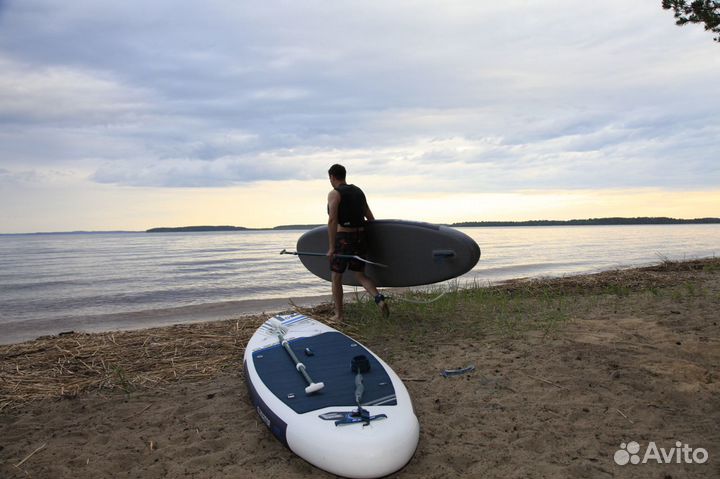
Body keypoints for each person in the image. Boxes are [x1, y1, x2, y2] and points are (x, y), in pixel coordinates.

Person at [326, 164, 389, 321]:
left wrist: (332, 247)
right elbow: (370, 216)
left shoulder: (334, 193)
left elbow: (332, 220)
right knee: (360, 275)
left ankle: (339, 315)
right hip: (360, 237)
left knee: (336, 277)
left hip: (344, 240)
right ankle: (379, 299)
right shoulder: (358, 191)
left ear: (332, 177)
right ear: (344, 175)